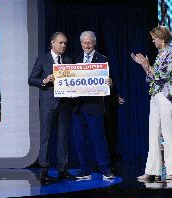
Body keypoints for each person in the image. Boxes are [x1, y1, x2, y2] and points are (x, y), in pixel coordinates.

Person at [131, 26, 172, 181]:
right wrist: (144, 66)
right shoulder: (160, 54)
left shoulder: (171, 53)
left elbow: (163, 75)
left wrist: (147, 65)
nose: (153, 41)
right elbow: (152, 77)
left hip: (167, 97)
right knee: (153, 133)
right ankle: (152, 170)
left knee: (167, 133)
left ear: (163, 39)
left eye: (155, 38)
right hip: (155, 95)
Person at [28, 32, 74, 181]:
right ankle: (44, 170)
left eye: (65, 43)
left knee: (63, 138)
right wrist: (44, 80)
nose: (63, 46)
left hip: (64, 104)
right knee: (45, 137)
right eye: (61, 43)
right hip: (48, 104)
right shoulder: (42, 59)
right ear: (52, 43)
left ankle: (63, 169)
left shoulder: (67, 60)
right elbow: (31, 79)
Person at [72, 31, 115, 180]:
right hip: (78, 106)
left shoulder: (103, 59)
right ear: (81, 44)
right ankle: (85, 170)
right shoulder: (76, 60)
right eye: (84, 42)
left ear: (94, 42)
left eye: (89, 42)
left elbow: (110, 82)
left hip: (95, 106)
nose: (87, 45)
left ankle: (105, 169)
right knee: (79, 139)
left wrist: (110, 83)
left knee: (98, 139)